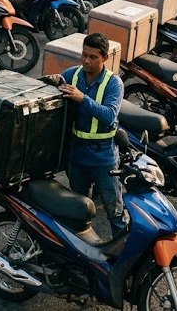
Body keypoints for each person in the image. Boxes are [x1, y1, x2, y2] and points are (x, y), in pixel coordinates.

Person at [56, 33, 127, 237]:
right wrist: (54, 81)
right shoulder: (72, 74)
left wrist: (82, 99)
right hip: (77, 156)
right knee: (79, 209)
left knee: (115, 212)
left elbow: (108, 115)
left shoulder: (114, 83)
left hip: (104, 158)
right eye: (84, 55)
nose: (86, 60)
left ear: (105, 58)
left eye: (93, 57)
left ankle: (124, 259)